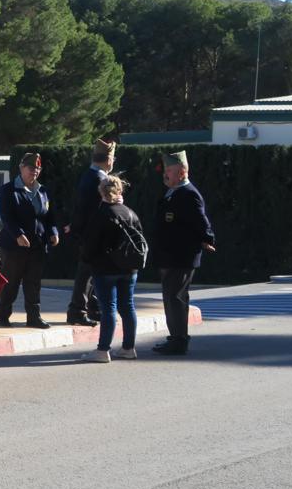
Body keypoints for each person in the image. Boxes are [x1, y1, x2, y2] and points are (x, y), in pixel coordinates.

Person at [153, 151, 216, 355]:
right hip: (170, 255)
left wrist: (207, 238)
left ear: (182, 172)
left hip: (181, 255)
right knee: (170, 297)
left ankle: (179, 340)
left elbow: (200, 220)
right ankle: (175, 337)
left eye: (169, 171)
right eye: (165, 170)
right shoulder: (173, 191)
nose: (165, 174)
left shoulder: (188, 193)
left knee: (176, 298)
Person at [81, 174, 145, 363]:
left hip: (105, 269)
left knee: (108, 308)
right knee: (128, 306)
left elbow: (90, 244)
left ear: (101, 192)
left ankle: (103, 350)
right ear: (120, 191)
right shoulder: (130, 213)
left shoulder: (101, 214)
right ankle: (128, 348)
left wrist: (88, 260)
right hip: (130, 268)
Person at [0, 152, 60, 329]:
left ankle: (34, 317)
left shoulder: (43, 191)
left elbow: (49, 217)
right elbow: (6, 217)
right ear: (21, 168)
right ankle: (3, 315)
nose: (35, 171)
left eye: (38, 168)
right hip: (14, 246)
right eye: (31, 168)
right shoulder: (9, 189)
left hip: (37, 246)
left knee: (33, 283)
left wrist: (53, 232)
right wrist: (18, 234)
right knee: (11, 282)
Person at [66, 139, 116, 326]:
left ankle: (92, 308)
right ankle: (77, 311)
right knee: (86, 275)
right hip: (93, 236)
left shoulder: (90, 176)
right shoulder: (99, 179)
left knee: (92, 274)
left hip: (89, 234)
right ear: (108, 160)